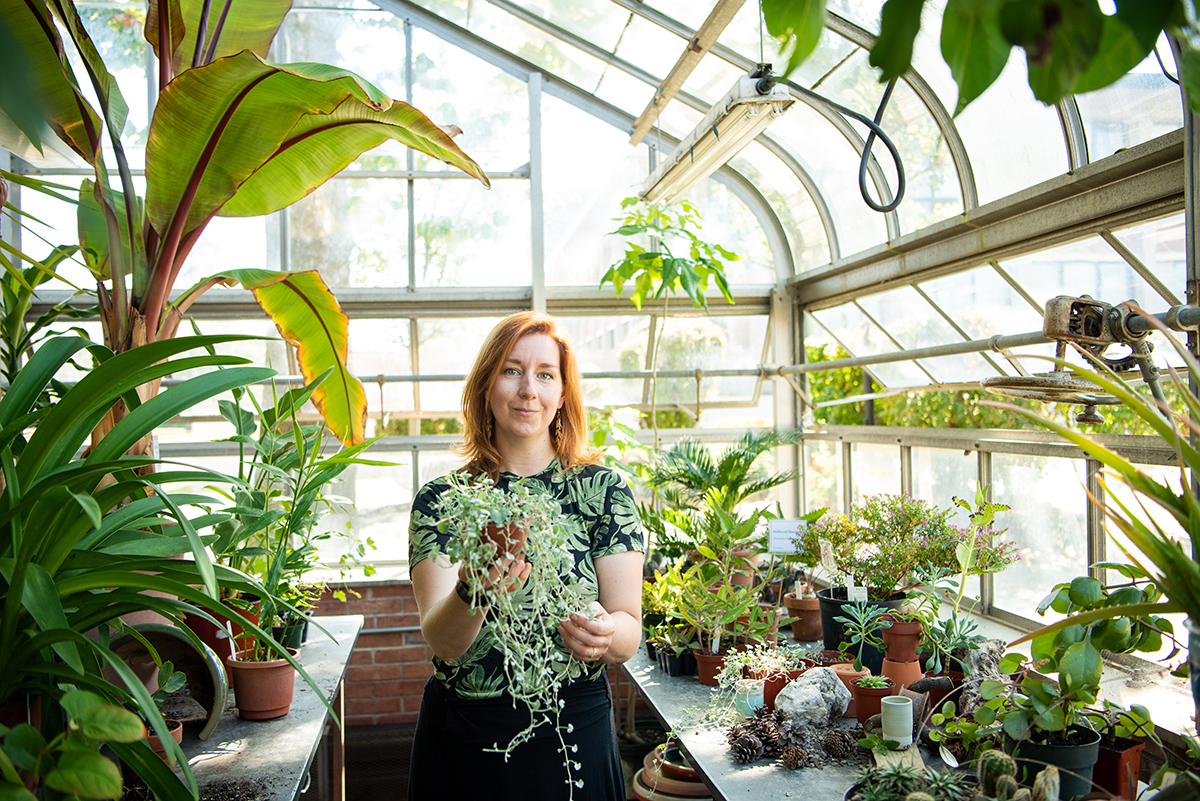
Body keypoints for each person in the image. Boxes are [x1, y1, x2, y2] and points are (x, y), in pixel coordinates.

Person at [407, 311, 645, 801]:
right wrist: (474, 591)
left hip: (572, 727)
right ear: (486, 385)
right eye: (511, 370)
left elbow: (629, 633)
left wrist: (605, 634)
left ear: (561, 394)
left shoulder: (603, 493)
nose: (527, 390)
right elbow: (442, 641)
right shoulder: (443, 500)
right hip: (466, 735)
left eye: (545, 375)